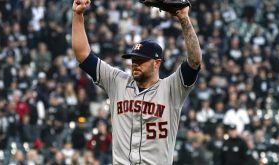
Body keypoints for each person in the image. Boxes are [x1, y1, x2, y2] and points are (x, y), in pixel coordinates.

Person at [72, 0, 202, 164]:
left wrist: (184, 18)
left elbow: (195, 61)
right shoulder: (117, 82)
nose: (135, 64)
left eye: (141, 60)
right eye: (133, 59)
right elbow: (82, 55)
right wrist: (78, 15)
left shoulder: (171, 89)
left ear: (157, 63)